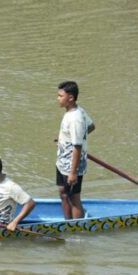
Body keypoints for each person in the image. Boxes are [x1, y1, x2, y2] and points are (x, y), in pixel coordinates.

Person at [55, 80, 94, 220]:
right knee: (63, 193)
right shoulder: (75, 111)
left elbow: (77, 146)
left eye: (60, 96)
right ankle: (68, 221)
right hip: (63, 162)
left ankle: (76, 227)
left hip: (71, 166)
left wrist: (73, 173)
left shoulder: (75, 118)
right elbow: (90, 126)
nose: (58, 99)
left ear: (70, 98)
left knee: (73, 198)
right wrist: (65, 141)